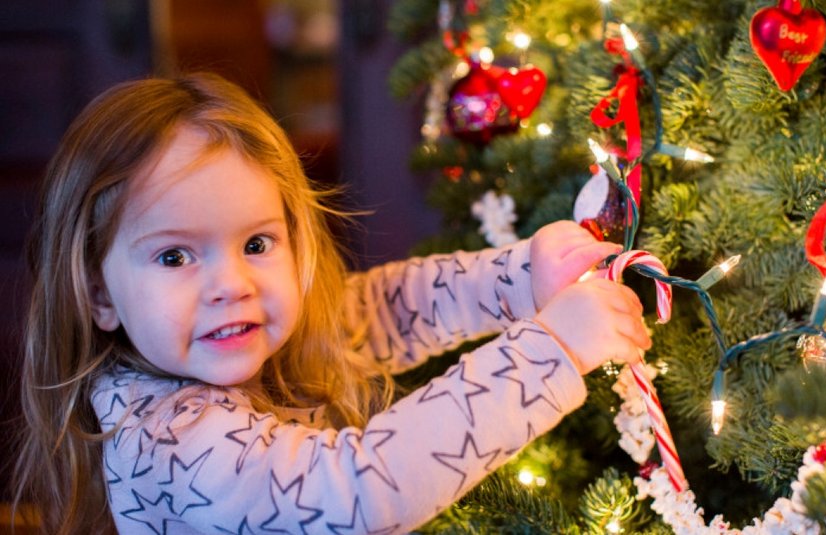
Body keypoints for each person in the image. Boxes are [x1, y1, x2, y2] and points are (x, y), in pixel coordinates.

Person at [12, 72, 651, 534]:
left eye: (257, 242)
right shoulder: (167, 439)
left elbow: (388, 309)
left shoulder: (262, 337)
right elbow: (354, 494)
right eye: (175, 257)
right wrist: (554, 351)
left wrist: (523, 278)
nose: (232, 284)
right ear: (99, 296)